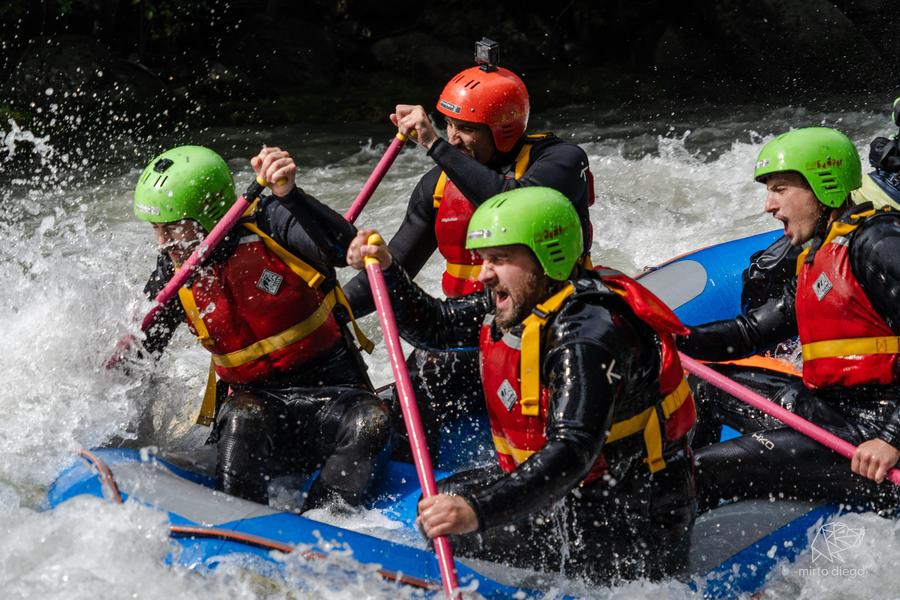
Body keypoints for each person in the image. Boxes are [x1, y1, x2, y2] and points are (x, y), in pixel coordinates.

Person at [346, 187, 696, 584]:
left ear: (549, 256)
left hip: (631, 525)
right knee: (443, 496)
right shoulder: (529, 299)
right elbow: (437, 325)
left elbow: (573, 449)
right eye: (482, 260)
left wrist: (477, 511)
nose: (483, 273)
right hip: (581, 499)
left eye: (500, 259)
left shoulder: (588, 336)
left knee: (455, 527)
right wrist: (389, 270)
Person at [343, 42, 595, 457]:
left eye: (467, 129)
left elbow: (515, 202)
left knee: (432, 362)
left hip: (545, 312)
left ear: (503, 129)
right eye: (448, 126)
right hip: (462, 323)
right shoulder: (437, 185)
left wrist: (434, 144)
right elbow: (397, 265)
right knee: (424, 363)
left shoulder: (561, 161)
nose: (454, 139)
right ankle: (412, 464)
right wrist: (333, 309)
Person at [128, 145, 390, 508]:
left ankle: (327, 519)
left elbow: (339, 249)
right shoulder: (175, 271)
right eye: (156, 228)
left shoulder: (272, 221)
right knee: (240, 417)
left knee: (371, 420)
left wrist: (290, 194)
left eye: (171, 227)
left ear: (209, 213)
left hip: (336, 397)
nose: (162, 241)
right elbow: (143, 354)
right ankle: (241, 520)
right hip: (257, 410)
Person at [678, 127, 900, 514]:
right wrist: (666, 334)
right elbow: (749, 333)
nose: (769, 205)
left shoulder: (878, 244)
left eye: (780, 189)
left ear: (823, 186)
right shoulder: (820, 254)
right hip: (831, 413)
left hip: (871, 439)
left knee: (701, 469)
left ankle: (676, 533)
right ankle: (684, 507)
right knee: (701, 388)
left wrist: (891, 439)